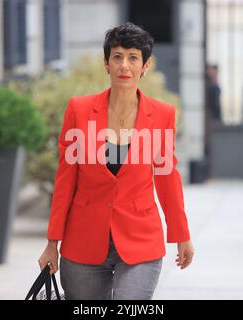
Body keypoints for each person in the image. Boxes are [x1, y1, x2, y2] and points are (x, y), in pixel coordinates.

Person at [38, 22, 194, 300]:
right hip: (83, 242)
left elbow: (167, 177)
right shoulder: (79, 109)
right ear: (106, 64)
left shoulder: (162, 115)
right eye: (117, 56)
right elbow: (65, 180)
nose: (124, 65)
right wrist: (53, 243)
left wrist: (182, 234)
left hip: (140, 240)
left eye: (133, 57)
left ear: (145, 66)